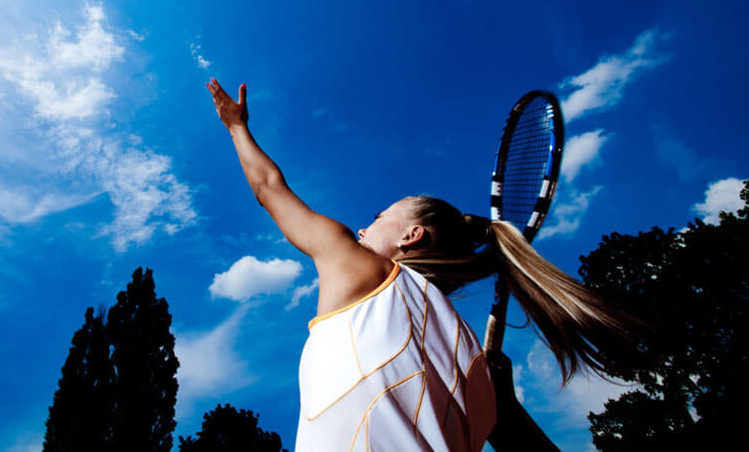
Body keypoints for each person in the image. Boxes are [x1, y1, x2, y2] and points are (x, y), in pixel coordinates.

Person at [207, 78, 646, 451]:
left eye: (377, 218)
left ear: (410, 236)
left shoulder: (360, 270)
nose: (362, 230)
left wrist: (236, 128)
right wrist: (505, 410)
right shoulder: (476, 365)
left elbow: (268, 187)